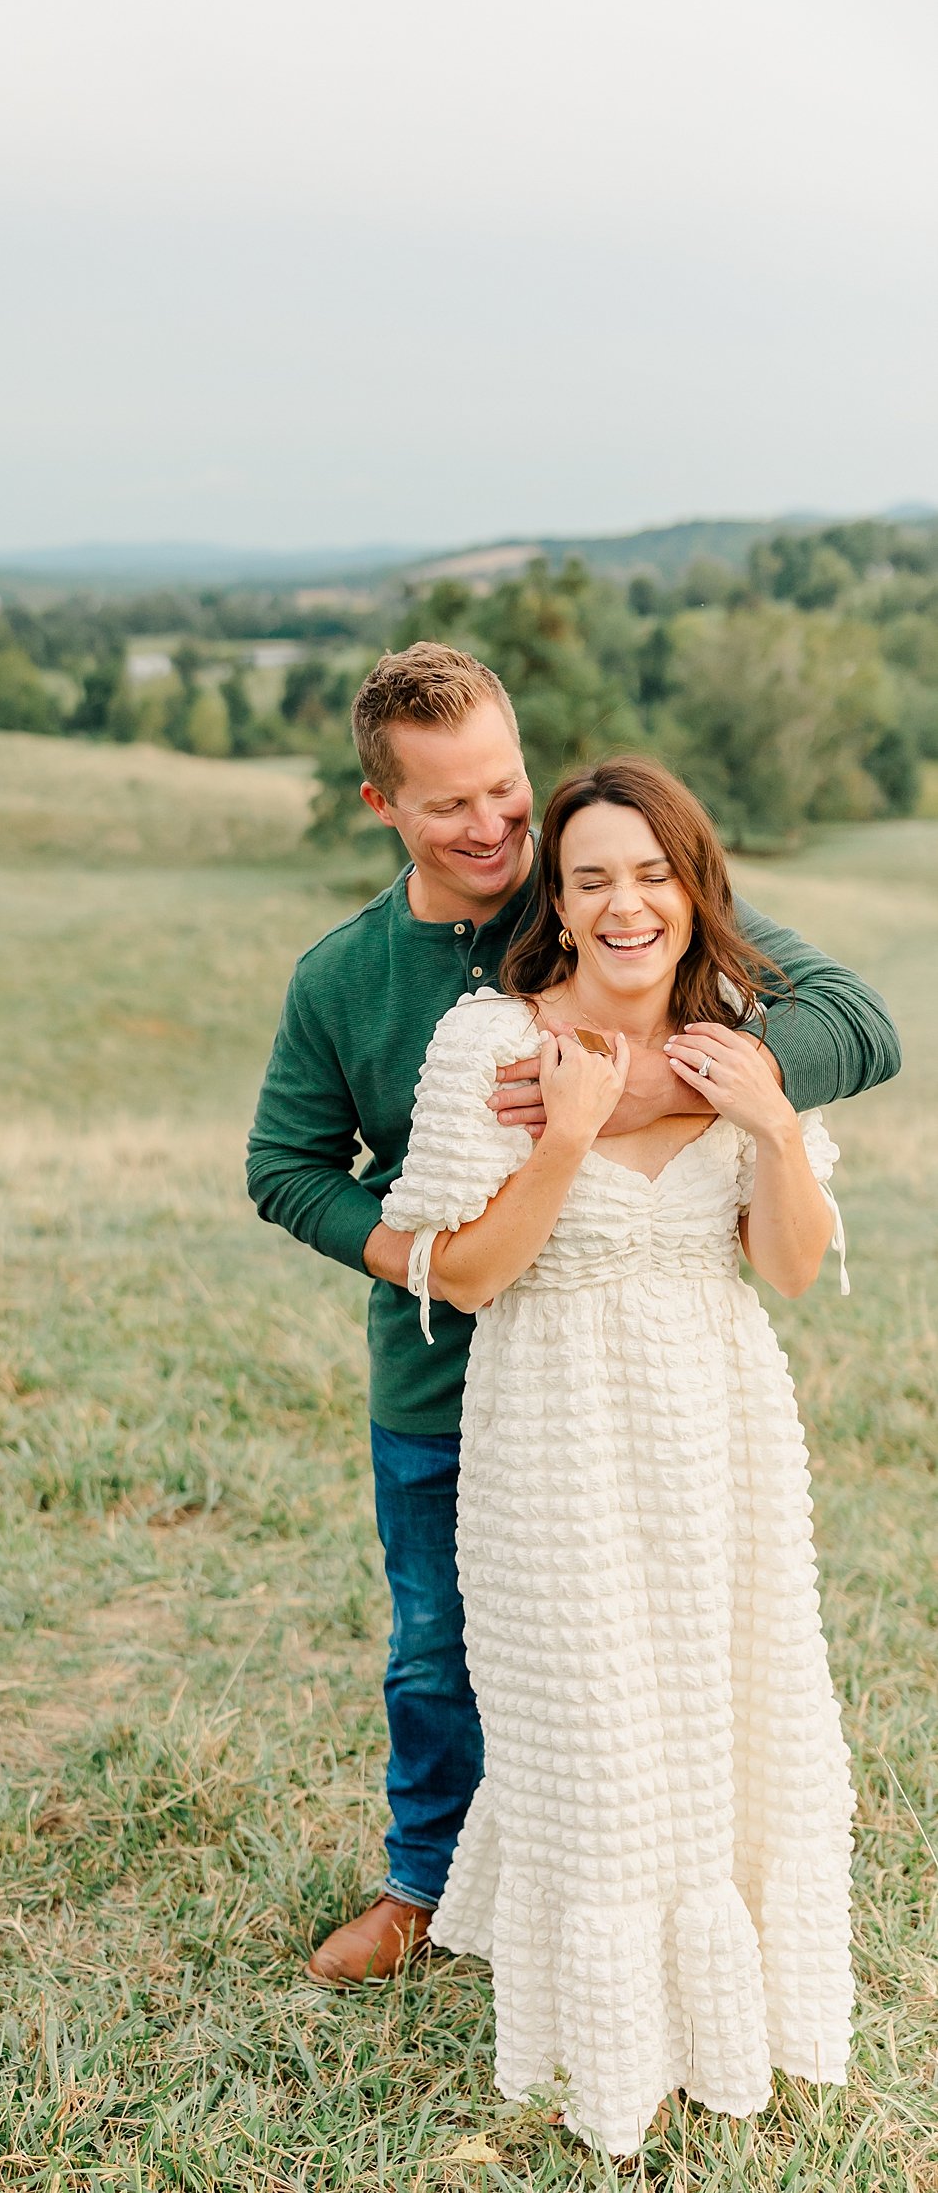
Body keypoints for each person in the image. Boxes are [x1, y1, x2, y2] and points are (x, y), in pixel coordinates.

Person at [245, 644, 899, 1990]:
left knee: (646, 1646)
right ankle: (429, 1884)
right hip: (448, 1368)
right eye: (449, 806)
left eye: (506, 789)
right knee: (441, 1647)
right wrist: (409, 1251)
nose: (493, 828)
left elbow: (859, 1022)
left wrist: (660, 1085)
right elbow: (283, 1167)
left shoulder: (612, 885)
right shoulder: (345, 977)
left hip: (649, 1364)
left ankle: (644, 1894)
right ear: (385, 808)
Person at [379, 753, 860, 2153]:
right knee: (596, 1731)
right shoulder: (492, 1047)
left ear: (692, 886)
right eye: (592, 878)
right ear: (562, 900)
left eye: (651, 874)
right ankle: (606, 2046)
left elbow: (786, 1265)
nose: (625, 904)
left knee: (726, 1713)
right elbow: (462, 1277)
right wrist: (568, 1137)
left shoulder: (744, 1038)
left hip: (722, 1430)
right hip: (556, 1438)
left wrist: (769, 1125)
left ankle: (735, 2017)